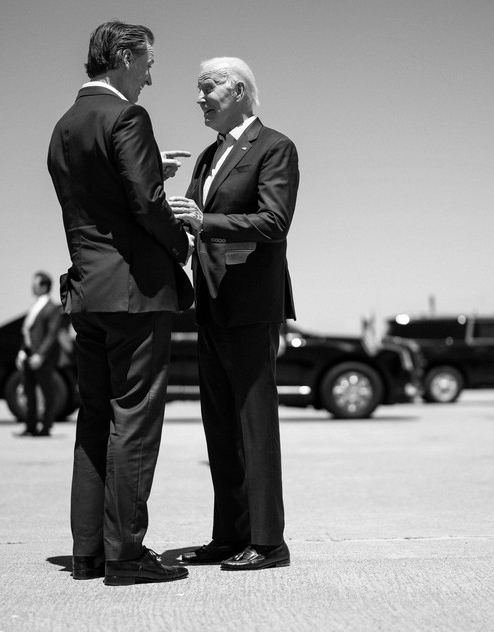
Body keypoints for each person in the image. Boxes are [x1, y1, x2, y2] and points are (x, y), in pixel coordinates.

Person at [47, 20, 193, 586]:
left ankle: (89, 551)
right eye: (149, 62)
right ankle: (126, 555)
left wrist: (152, 171)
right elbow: (144, 204)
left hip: (88, 291)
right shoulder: (128, 116)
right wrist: (180, 242)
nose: (152, 75)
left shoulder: (65, 123)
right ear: (126, 57)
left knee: (95, 418)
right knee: (133, 423)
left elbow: (101, 196)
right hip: (134, 293)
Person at [169, 57, 299, 571]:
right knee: (220, 429)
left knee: (254, 426)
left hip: (249, 304)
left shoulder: (274, 147)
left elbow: (274, 220)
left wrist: (205, 219)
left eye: (208, 88)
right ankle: (229, 536)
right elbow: (195, 225)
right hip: (210, 304)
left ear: (240, 90)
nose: (199, 98)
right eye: (197, 90)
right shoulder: (206, 157)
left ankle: (269, 543)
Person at [15, 271, 62, 437]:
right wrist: (22, 351)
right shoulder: (34, 306)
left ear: (44, 286)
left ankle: (46, 426)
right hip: (28, 356)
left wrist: (41, 355)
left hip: (42, 359)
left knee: (47, 393)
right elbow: (28, 332)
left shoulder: (52, 307)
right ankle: (31, 426)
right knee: (29, 393)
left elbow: (51, 334)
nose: (32, 287)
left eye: (35, 284)